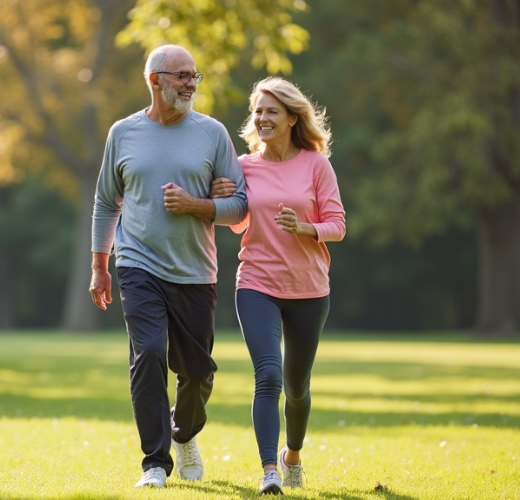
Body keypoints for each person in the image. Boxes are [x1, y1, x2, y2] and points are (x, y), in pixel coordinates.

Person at [88, 44, 248, 489]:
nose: (191, 83)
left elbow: (239, 207)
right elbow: (106, 202)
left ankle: (184, 432)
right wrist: (101, 266)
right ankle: (154, 463)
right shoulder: (123, 132)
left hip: (196, 271)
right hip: (137, 265)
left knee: (197, 373)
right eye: (181, 75)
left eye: (194, 75)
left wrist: (199, 204)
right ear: (155, 79)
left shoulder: (212, 133)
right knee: (149, 355)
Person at [211, 76, 346, 495]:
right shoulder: (244, 164)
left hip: (309, 290)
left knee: (296, 388)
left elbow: (338, 226)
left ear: (291, 117)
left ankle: (292, 456)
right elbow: (235, 218)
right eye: (258, 111)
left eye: (271, 111)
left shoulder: (316, 165)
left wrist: (304, 227)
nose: (262, 118)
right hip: (257, 283)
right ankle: (270, 470)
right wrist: (221, 193)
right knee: (267, 375)